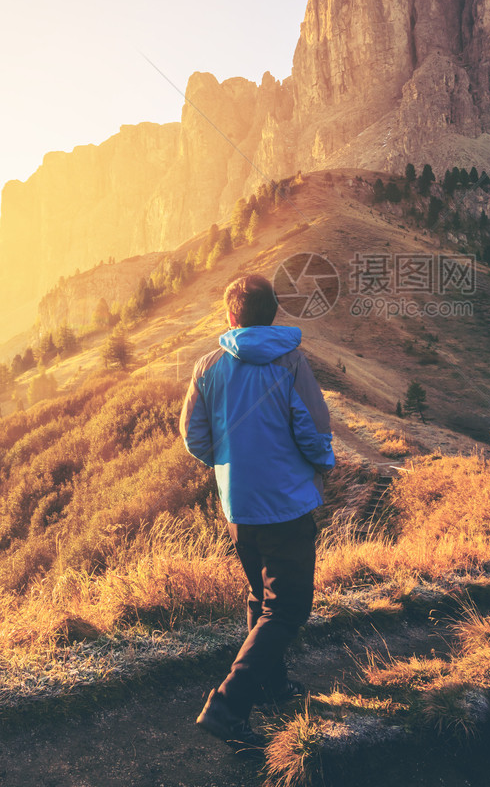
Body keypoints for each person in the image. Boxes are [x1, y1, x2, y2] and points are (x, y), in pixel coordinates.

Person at [180, 273, 335, 746]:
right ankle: (227, 705)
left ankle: (268, 685)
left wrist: (229, 466)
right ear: (273, 315)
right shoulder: (291, 362)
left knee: (261, 598)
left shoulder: (208, 366)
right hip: (287, 506)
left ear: (231, 317)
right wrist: (322, 465)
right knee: (287, 609)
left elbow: (194, 436)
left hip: (240, 509)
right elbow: (312, 429)